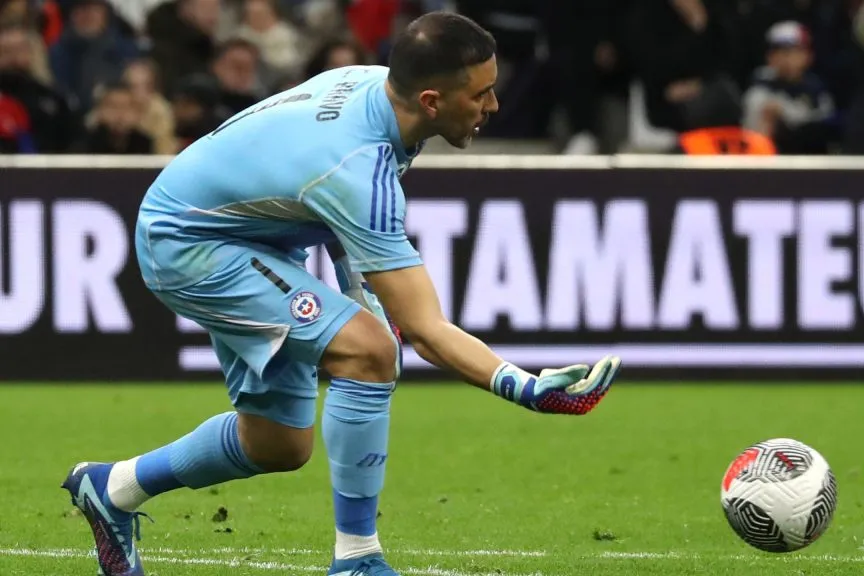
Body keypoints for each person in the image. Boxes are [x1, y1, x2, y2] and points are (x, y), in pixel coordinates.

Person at [60, 11, 621, 576]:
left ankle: (114, 488)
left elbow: (322, 203)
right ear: (431, 100)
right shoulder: (358, 166)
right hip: (189, 241)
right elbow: (425, 329)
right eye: (481, 94)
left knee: (279, 444)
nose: (493, 107)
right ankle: (358, 560)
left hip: (254, 233)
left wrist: (362, 293)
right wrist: (527, 388)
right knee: (373, 352)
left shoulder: (379, 91)